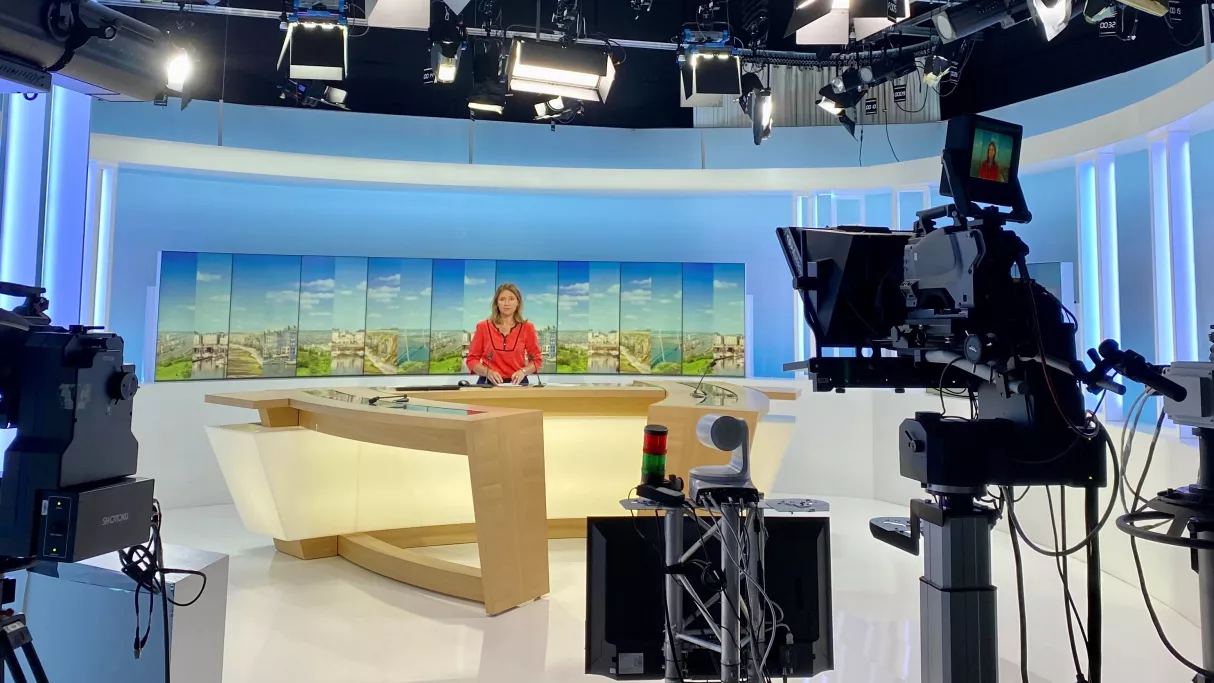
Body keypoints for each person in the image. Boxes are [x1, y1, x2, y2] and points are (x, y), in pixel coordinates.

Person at [466, 283, 543, 385]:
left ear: (518, 302)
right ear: (496, 303)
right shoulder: (483, 327)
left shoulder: (527, 327)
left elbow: (536, 361)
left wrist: (523, 372)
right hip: (487, 383)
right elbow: (471, 360)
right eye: (502, 299)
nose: (506, 303)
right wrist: (487, 372)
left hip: (518, 384)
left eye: (511, 299)